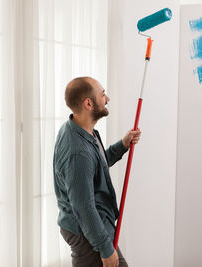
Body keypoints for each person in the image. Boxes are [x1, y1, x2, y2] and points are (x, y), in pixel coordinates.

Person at [53, 77, 141, 267]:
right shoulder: (78, 152)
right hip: (86, 231)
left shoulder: (80, 130)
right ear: (88, 103)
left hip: (92, 225)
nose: (107, 98)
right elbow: (84, 207)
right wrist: (105, 248)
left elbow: (96, 167)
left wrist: (122, 145)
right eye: (102, 95)